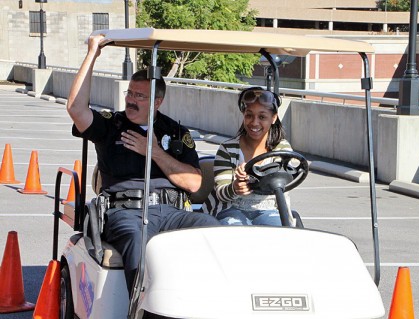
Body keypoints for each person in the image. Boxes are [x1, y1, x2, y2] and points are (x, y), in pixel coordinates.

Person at [67, 34, 220, 296]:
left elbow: (194, 183)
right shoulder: (111, 125)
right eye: (130, 92)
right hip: (126, 212)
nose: (131, 100)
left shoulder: (174, 131)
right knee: (139, 240)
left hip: (171, 212)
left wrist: (153, 152)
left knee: (212, 230)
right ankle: (141, 309)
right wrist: (92, 53)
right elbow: (76, 109)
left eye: (140, 95)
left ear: (157, 102)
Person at [202, 87, 293, 226]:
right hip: (229, 208)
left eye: (262, 117)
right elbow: (221, 192)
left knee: (278, 234)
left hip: (270, 209)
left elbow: (283, 181)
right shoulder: (227, 149)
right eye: (249, 115)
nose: (254, 123)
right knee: (237, 232)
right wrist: (235, 187)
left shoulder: (282, 149)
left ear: (273, 118)